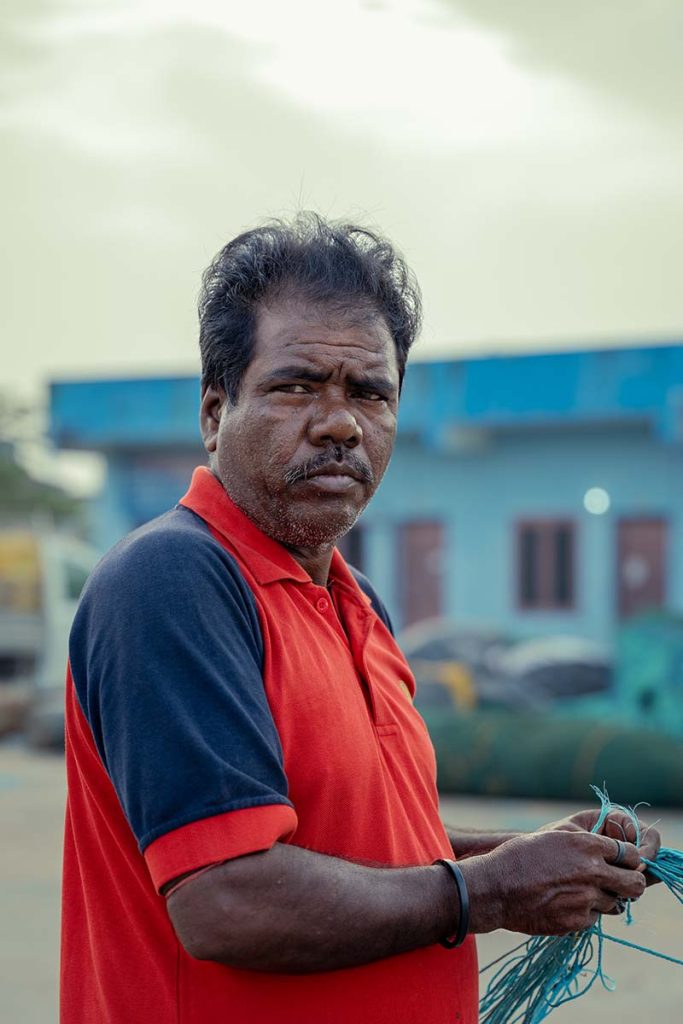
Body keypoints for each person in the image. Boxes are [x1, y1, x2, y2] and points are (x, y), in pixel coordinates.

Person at [61, 213, 660, 1024]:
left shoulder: (358, 601)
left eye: (369, 393)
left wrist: (534, 857)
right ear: (213, 412)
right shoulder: (173, 579)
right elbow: (228, 899)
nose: (340, 422)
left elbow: (367, 848)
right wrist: (485, 890)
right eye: (296, 385)